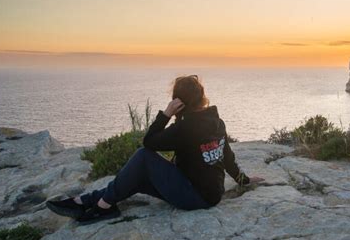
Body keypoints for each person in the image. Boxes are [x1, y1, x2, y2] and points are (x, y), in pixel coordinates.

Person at [46, 75, 264, 225]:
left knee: (143, 158)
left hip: (196, 198)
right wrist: (242, 179)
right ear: (202, 98)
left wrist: (166, 114)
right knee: (136, 179)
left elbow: (149, 143)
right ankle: (85, 201)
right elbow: (227, 156)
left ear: (178, 101)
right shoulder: (217, 121)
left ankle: (103, 207)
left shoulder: (185, 127)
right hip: (210, 192)